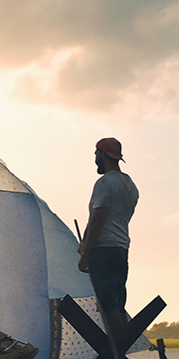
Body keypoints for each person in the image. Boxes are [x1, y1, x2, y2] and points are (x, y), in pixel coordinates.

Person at [77, 137, 139, 337]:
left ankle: (117, 356)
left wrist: (85, 253)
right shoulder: (130, 185)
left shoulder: (104, 183)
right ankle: (118, 358)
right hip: (121, 249)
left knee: (107, 302)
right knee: (118, 302)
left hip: (103, 249)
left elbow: (98, 218)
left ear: (103, 154)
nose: (95, 158)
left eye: (96, 154)